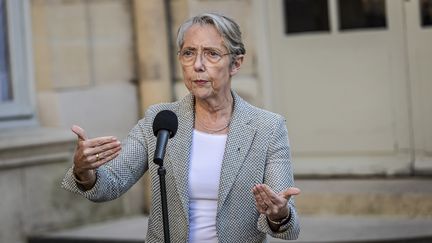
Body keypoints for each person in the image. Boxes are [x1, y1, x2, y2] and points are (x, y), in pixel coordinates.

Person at [62, 13, 300, 243]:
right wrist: (85, 171)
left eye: (212, 54)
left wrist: (279, 214)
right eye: (188, 53)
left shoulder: (267, 127)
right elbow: (111, 184)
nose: (197, 65)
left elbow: (287, 221)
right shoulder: (160, 120)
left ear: (235, 64)